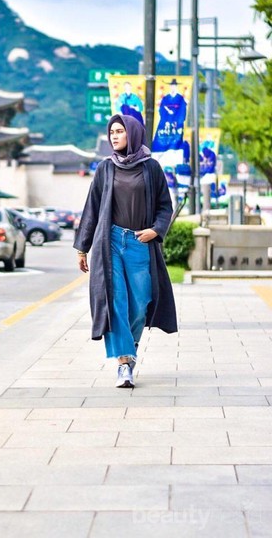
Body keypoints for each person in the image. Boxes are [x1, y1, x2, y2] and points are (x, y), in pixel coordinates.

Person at [74, 114, 177, 388]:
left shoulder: (151, 167)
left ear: (133, 134)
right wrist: (83, 247)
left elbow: (165, 206)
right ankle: (124, 364)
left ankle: (128, 347)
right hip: (110, 242)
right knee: (115, 301)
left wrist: (156, 230)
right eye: (112, 132)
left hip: (139, 243)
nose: (114, 136)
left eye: (120, 131)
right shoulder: (105, 168)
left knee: (141, 304)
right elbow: (92, 208)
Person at [152, 78, 187, 153]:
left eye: (174, 86)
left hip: (176, 122)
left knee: (176, 139)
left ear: (176, 87)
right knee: (161, 138)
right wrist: (166, 117)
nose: (173, 88)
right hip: (166, 121)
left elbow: (182, 111)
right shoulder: (165, 98)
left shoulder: (180, 99)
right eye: (172, 86)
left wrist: (178, 121)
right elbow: (162, 109)